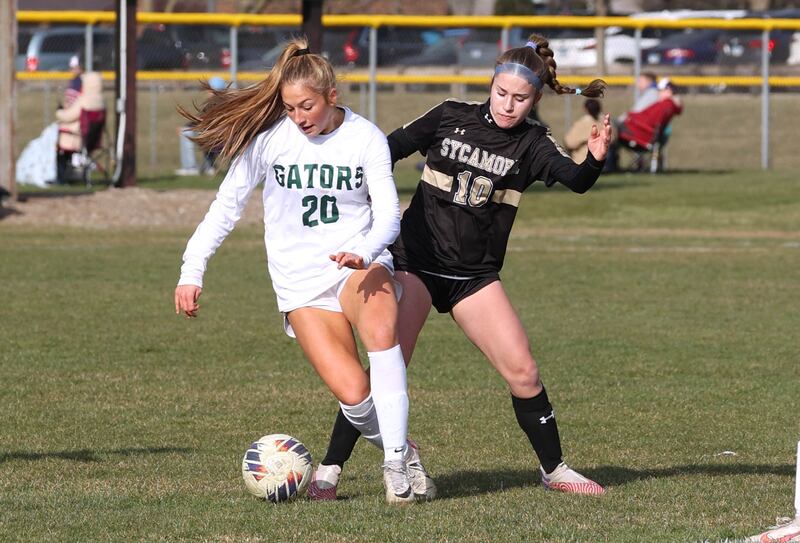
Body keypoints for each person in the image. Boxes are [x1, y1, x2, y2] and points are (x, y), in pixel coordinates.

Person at [307, 33, 612, 500]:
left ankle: (556, 469)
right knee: (386, 366)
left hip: (473, 278)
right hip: (415, 264)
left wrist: (593, 159)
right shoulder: (450, 115)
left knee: (524, 372)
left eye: (521, 98)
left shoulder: (533, 142)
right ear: (490, 85)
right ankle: (330, 468)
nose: (509, 105)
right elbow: (384, 150)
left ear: (535, 99)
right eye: (502, 93)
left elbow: (575, 181)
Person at [173, 38, 432, 504]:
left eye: (307, 106)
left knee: (380, 326)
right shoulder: (269, 140)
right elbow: (225, 209)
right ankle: (407, 450)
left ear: (332, 96)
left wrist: (365, 251)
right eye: (290, 108)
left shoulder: (364, 136)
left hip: (359, 263)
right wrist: (193, 269)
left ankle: (394, 463)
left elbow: (390, 215)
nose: (299, 117)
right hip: (300, 282)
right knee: (354, 395)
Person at [606, 78, 682, 172]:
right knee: (611, 127)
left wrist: (630, 117)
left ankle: (608, 165)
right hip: (640, 132)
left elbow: (649, 121)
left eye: (661, 90)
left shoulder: (665, 105)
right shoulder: (667, 105)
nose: (659, 93)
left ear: (669, 91)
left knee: (609, 126)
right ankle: (610, 164)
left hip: (640, 135)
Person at [54, 71, 105, 184]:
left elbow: (69, 115)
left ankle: (62, 178)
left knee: (61, 150)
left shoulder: (84, 100)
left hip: (79, 138)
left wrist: (59, 112)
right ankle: (72, 175)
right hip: (94, 139)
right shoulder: (101, 101)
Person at [175, 77, 227, 176]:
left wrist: (185, 127)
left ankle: (190, 167)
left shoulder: (214, 102)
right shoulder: (226, 101)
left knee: (186, 131)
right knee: (200, 133)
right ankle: (210, 166)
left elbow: (199, 121)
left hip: (216, 140)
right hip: (226, 139)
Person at [564, 98, 603, 163]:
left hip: (582, 161)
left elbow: (569, 143)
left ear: (585, 109)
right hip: (602, 161)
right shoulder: (604, 122)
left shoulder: (581, 124)